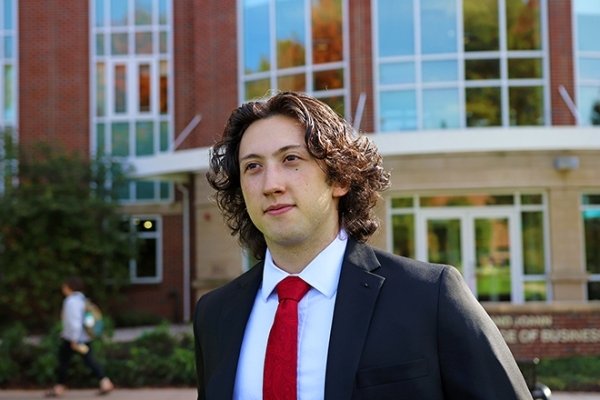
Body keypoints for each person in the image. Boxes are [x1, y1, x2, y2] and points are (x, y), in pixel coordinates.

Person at [193, 91, 531, 399]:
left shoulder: (430, 297)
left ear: (340, 178)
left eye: (292, 159)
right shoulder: (215, 314)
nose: (271, 184)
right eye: (252, 167)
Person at [45, 276, 114, 397]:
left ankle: (59, 387)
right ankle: (105, 382)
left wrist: (74, 339)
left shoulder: (71, 301)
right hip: (84, 337)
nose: (63, 288)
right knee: (88, 359)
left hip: (73, 338)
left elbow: (74, 321)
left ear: (69, 287)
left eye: (64, 286)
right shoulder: (82, 299)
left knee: (64, 361)